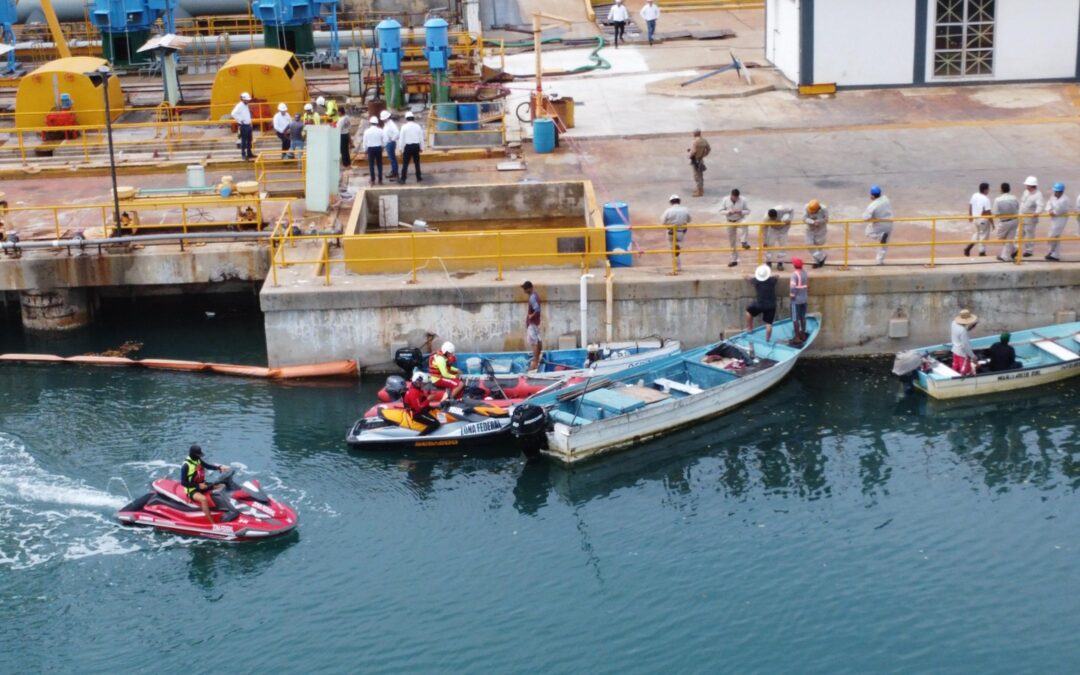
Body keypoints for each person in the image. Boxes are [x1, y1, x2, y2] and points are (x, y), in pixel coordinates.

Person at [180, 444, 230, 525]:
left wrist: (219, 467)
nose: (199, 456)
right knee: (203, 499)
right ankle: (212, 524)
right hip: (192, 490)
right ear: (193, 454)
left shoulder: (197, 460)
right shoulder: (186, 466)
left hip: (202, 485)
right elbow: (183, 482)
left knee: (223, 486)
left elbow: (207, 466)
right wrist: (197, 486)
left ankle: (226, 508)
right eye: (197, 455)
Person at [745, 264, 778, 342]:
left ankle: (749, 328)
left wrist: (745, 276)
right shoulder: (772, 281)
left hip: (760, 304)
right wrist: (776, 276)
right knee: (769, 324)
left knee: (748, 312)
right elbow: (777, 277)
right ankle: (767, 339)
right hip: (771, 305)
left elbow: (749, 278)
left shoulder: (756, 281)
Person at [719, 188, 750, 267]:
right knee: (732, 241)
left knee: (745, 224)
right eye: (734, 197)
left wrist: (741, 212)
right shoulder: (725, 200)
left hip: (739, 219)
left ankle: (744, 241)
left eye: (737, 198)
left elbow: (748, 211)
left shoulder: (743, 200)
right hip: (730, 221)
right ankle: (734, 260)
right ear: (731, 195)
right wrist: (728, 212)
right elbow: (720, 211)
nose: (735, 199)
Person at [863, 184, 893, 265]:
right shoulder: (886, 199)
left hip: (880, 224)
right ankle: (879, 261)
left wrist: (873, 220)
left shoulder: (873, 205)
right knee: (884, 244)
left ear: (872, 195)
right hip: (890, 223)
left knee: (868, 233)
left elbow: (865, 218)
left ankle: (880, 236)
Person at [661, 194, 691, 271]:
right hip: (681, 231)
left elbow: (663, 221)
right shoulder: (685, 210)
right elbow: (689, 220)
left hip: (671, 231)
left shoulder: (668, 211)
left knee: (672, 249)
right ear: (679, 201)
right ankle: (677, 265)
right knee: (678, 246)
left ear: (671, 202)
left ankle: (677, 267)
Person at [993, 182, 1021, 262]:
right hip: (1015, 220)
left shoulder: (998, 200)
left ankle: (1008, 254)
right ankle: (1011, 252)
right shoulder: (1014, 198)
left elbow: (995, 213)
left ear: (1001, 189)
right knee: (1010, 238)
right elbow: (1018, 207)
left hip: (1004, 221)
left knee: (1000, 237)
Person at [964, 182, 993, 257]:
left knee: (977, 234)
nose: (989, 191)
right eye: (988, 189)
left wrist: (970, 216)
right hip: (983, 220)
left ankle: (968, 247)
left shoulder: (974, 195)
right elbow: (988, 212)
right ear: (985, 190)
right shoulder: (986, 199)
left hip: (975, 219)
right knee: (983, 236)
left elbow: (970, 205)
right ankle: (982, 252)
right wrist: (992, 223)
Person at [1018, 176, 1044, 257]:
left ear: (1032, 186)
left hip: (1030, 219)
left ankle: (1029, 251)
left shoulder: (1038, 195)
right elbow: (1022, 202)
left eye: (1028, 185)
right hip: (1022, 216)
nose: (1026, 187)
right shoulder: (1026, 192)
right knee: (1018, 233)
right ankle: (1016, 249)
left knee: (1029, 234)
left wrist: (1036, 213)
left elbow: (1040, 205)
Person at [1045, 182, 1069, 262]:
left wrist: (1052, 212)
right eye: (1055, 191)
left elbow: (1058, 210)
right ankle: (1053, 253)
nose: (1055, 193)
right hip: (1054, 219)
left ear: (1061, 192)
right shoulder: (1054, 197)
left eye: (1057, 191)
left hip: (1060, 220)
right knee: (1053, 236)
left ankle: (1053, 253)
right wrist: (1049, 210)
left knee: (1053, 236)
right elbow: (1048, 204)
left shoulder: (1064, 200)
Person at [950, 308, 978, 376]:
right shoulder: (963, 331)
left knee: (955, 369)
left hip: (955, 351)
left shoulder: (953, 323)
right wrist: (973, 357)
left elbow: (958, 334)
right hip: (962, 354)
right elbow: (966, 346)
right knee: (965, 372)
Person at [522, 280, 543, 371]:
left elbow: (537, 309)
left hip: (532, 323)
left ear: (530, 288)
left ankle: (535, 363)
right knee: (538, 340)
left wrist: (531, 316)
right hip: (536, 323)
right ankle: (538, 358)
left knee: (533, 342)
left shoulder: (532, 298)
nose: (524, 291)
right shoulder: (535, 295)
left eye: (525, 289)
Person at [399, 111, 424, 184]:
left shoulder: (404, 127)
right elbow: (421, 138)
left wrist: (401, 149)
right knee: (417, 163)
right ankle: (418, 178)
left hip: (408, 147)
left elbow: (402, 139)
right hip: (416, 146)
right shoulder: (417, 126)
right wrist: (421, 147)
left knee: (405, 164)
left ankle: (403, 179)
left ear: (406, 119)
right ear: (413, 118)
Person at [803, 199, 829, 268]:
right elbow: (804, 218)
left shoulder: (824, 209)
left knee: (819, 245)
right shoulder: (807, 207)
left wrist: (819, 221)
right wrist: (812, 222)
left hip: (820, 230)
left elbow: (826, 219)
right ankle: (822, 257)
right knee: (808, 244)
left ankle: (816, 261)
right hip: (810, 229)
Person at [789, 257, 808, 344]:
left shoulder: (794, 275)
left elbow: (793, 286)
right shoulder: (805, 273)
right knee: (802, 317)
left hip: (796, 300)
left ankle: (797, 337)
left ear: (794, 265)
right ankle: (803, 334)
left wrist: (792, 295)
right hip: (804, 299)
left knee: (795, 318)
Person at [362, 115, 385, 186]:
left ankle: (372, 180)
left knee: (371, 165)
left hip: (370, 149)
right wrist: (383, 147)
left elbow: (364, 142)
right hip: (378, 148)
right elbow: (384, 140)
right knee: (379, 165)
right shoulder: (380, 130)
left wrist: (365, 150)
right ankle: (380, 180)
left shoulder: (367, 131)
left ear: (370, 123)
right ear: (377, 123)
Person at [230, 92, 253, 160]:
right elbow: (233, 113)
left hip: (248, 125)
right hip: (243, 126)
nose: (248, 101)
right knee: (243, 141)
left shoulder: (246, 105)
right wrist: (240, 120)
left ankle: (249, 153)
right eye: (247, 100)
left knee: (249, 140)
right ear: (243, 99)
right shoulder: (239, 106)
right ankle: (243, 154)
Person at [688, 130, 711, 197]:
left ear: (694, 134)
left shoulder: (695, 142)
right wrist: (704, 155)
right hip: (700, 159)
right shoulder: (704, 141)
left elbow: (693, 151)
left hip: (695, 160)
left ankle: (699, 191)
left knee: (697, 176)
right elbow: (709, 149)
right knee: (700, 175)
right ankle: (700, 188)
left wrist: (689, 156)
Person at [380, 110, 400, 180]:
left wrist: (392, 139)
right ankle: (393, 171)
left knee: (392, 159)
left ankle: (395, 172)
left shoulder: (391, 124)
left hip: (390, 143)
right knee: (391, 159)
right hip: (388, 143)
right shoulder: (387, 124)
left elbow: (397, 133)